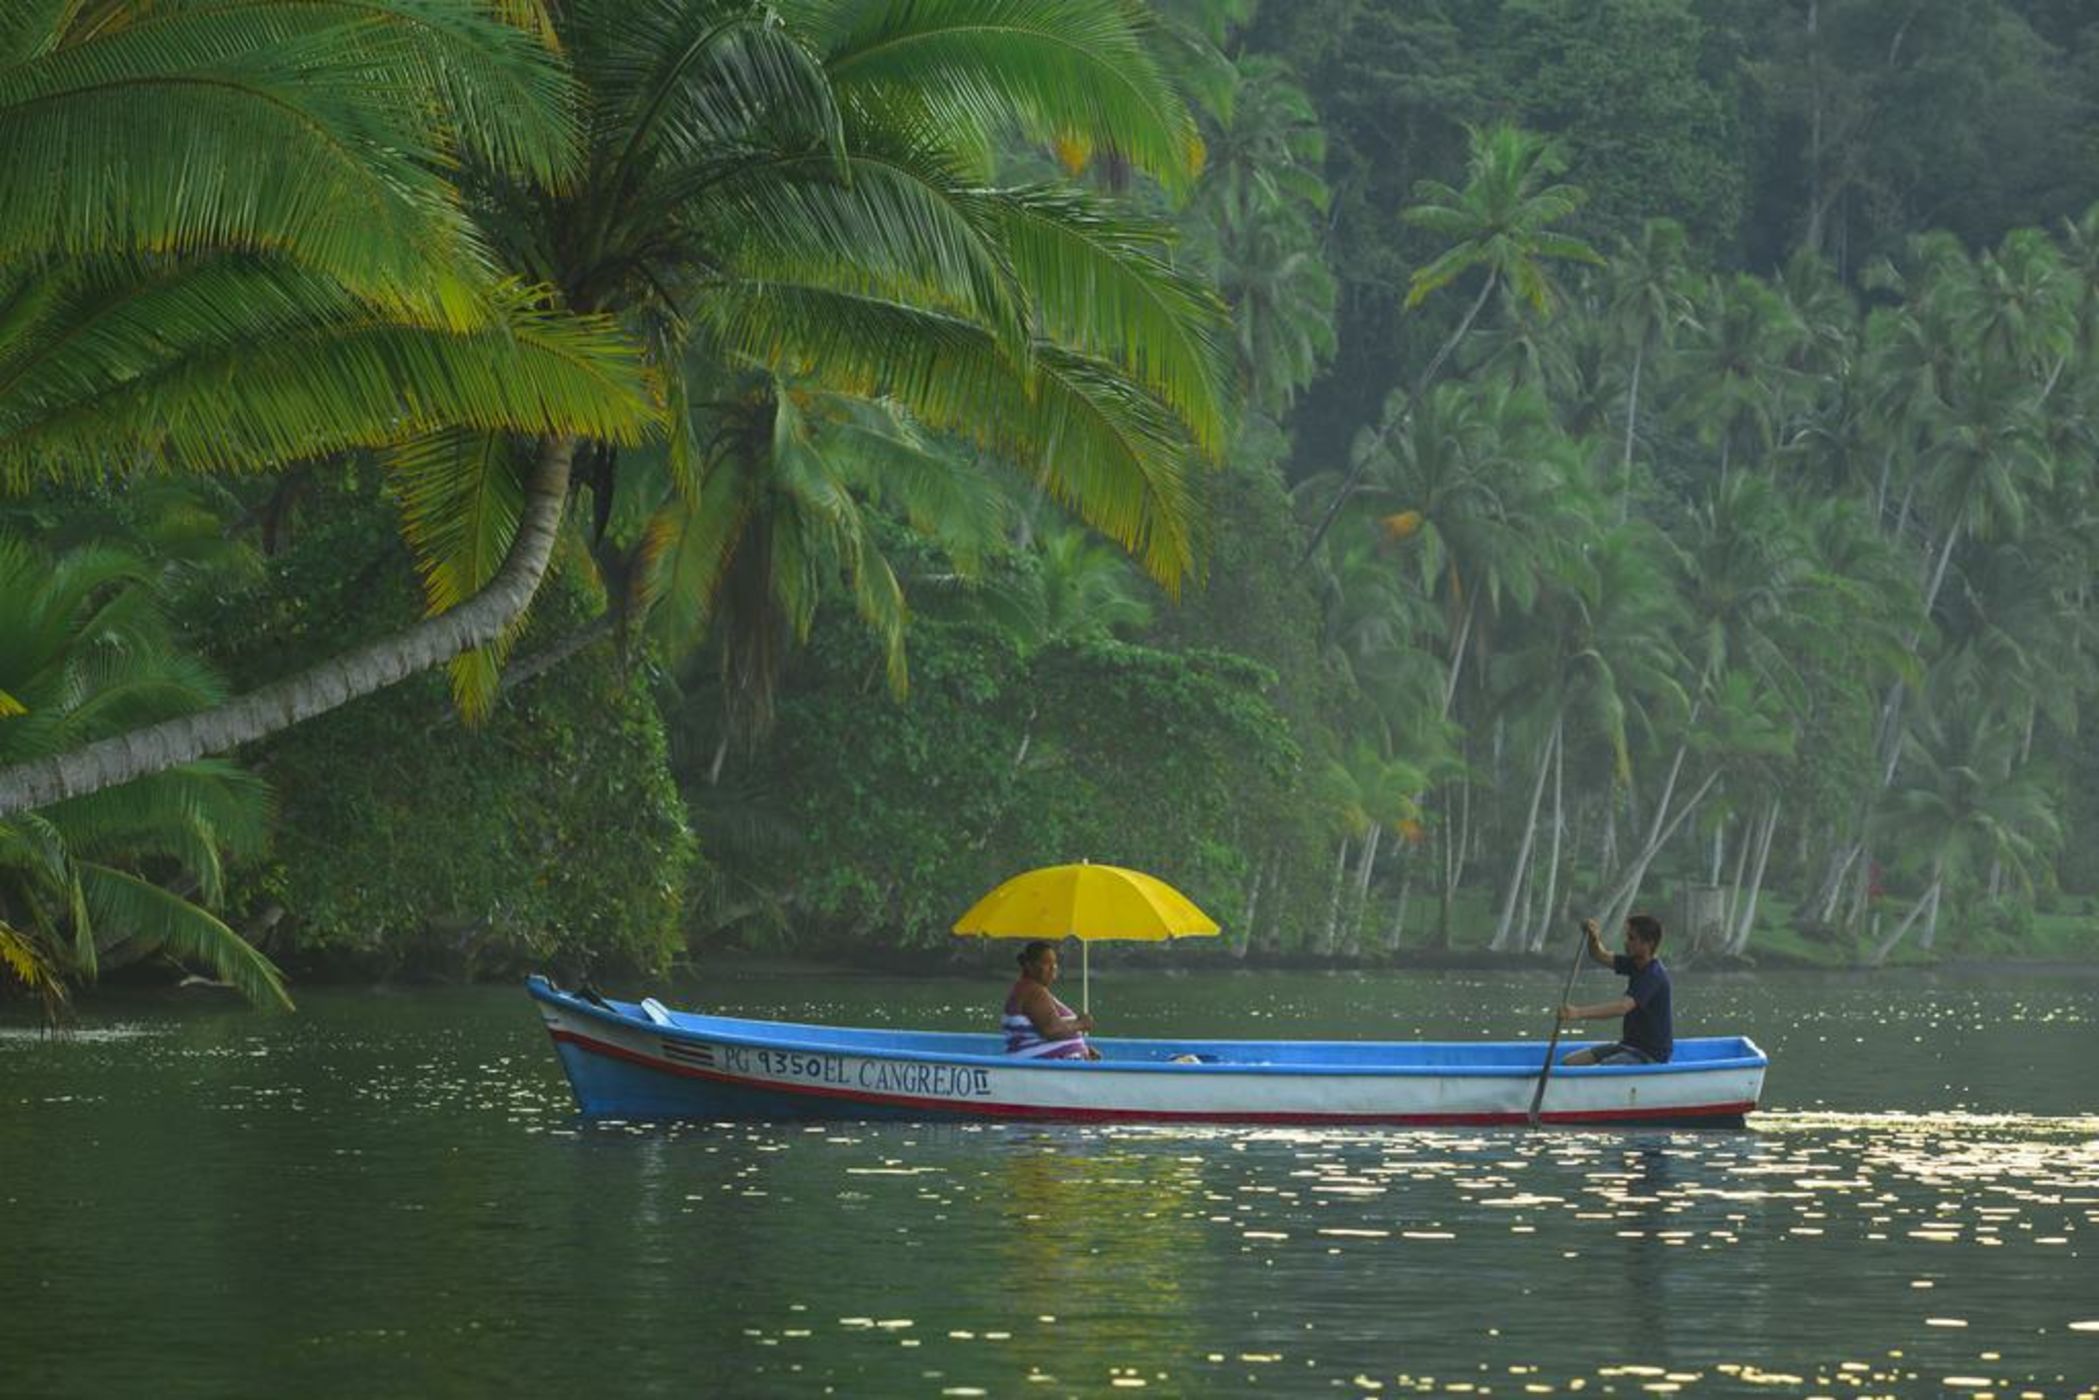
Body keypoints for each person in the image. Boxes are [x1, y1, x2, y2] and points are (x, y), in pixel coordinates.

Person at [1556, 913, 1673, 1065]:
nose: (1626, 942)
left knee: (1603, 1068)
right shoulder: (1634, 963)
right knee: (1569, 1062)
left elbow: (1622, 1007)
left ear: (1648, 943)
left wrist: (1577, 1013)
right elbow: (1599, 955)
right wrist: (1593, 937)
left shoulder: (1653, 975)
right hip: (1628, 1046)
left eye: (1631, 938)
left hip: (1650, 1054)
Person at [1002, 940, 1100, 1060]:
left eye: (1054, 963)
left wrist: (1083, 1049)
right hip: (1039, 1066)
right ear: (1029, 966)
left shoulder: (1032, 989)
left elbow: (1044, 1031)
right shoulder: (1032, 990)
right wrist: (1081, 1024)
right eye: (1046, 963)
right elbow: (1051, 1029)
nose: (1053, 968)